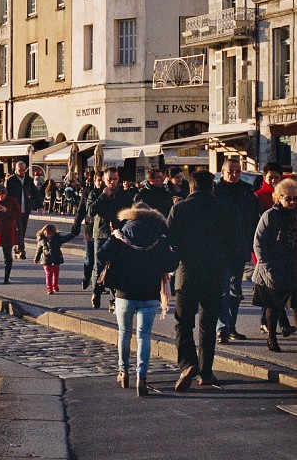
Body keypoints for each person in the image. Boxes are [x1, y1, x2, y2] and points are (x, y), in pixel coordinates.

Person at [97, 205, 179, 397]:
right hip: (150, 293)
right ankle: (141, 378)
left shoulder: (121, 233)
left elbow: (100, 256)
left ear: (130, 216)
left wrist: (113, 240)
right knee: (144, 336)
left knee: (124, 334)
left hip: (124, 293)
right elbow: (171, 263)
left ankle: (123, 372)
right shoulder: (159, 236)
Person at [167, 169, 236, 391]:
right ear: (212, 187)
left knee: (183, 322)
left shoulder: (179, 208)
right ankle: (206, 373)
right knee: (208, 324)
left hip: (187, 272)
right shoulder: (223, 210)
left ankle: (187, 364)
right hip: (214, 274)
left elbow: (169, 240)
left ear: (191, 187)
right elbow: (232, 242)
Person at [213, 157, 261, 345]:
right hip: (220, 249)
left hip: (239, 249)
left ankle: (231, 327)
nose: (234, 175)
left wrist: (251, 245)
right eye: (230, 171)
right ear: (223, 172)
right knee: (223, 291)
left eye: (237, 171)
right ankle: (222, 329)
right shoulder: (215, 191)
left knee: (236, 291)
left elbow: (253, 221)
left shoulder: (247, 191)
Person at [252, 178, 297, 352]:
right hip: (274, 267)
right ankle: (271, 337)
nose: (292, 202)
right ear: (278, 198)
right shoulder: (271, 215)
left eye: (295, 198)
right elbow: (259, 243)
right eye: (288, 198)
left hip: (293, 265)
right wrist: (268, 267)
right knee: (274, 305)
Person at [89, 166, 135, 310]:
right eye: (109, 179)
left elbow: (129, 212)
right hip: (101, 233)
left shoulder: (123, 194)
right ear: (104, 179)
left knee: (116, 265)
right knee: (99, 264)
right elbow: (90, 212)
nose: (112, 182)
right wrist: (103, 196)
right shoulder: (95, 193)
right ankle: (96, 292)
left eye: (115, 179)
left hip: (118, 234)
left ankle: (113, 299)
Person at [72, 171, 104, 290]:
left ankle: (100, 283)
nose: (100, 182)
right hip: (90, 229)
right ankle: (87, 277)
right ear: (94, 181)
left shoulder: (108, 193)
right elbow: (81, 210)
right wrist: (76, 225)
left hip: (102, 230)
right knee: (89, 258)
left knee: (100, 259)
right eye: (98, 180)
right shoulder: (87, 193)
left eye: (102, 180)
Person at [5, 161, 42, 259]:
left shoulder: (28, 180)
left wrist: (40, 206)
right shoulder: (10, 180)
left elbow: (35, 193)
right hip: (14, 209)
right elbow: (6, 195)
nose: (21, 172)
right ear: (15, 169)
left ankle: (17, 249)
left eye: (23, 170)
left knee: (23, 230)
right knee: (19, 230)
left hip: (25, 208)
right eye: (19, 170)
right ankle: (21, 250)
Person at [34, 223, 76, 294]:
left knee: (56, 274)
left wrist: (73, 234)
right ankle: (49, 288)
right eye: (45, 233)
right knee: (49, 273)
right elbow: (39, 250)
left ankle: (55, 286)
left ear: (53, 233)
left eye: (49, 234)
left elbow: (66, 238)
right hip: (46, 259)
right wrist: (36, 258)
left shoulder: (58, 239)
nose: (47, 235)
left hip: (56, 258)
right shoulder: (42, 240)